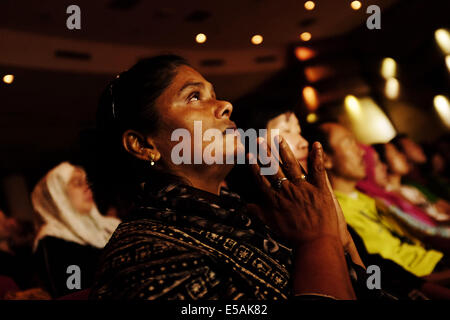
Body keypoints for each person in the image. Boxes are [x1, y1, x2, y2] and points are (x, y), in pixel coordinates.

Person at [82, 55, 370, 300]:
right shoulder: (142, 257)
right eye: (194, 96)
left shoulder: (254, 215)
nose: (225, 105)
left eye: (214, 93)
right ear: (143, 145)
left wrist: (340, 240)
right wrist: (318, 240)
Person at [305, 122, 450, 298]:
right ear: (324, 158)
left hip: (437, 260)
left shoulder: (368, 199)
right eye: (348, 143)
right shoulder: (335, 212)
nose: (359, 151)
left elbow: (420, 234)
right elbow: (378, 272)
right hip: (423, 278)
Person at [31, 162, 120, 298]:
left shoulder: (109, 225)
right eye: (78, 183)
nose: (87, 188)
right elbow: (73, 290)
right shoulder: (53, 239)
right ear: (58, 194)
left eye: (86, 182)